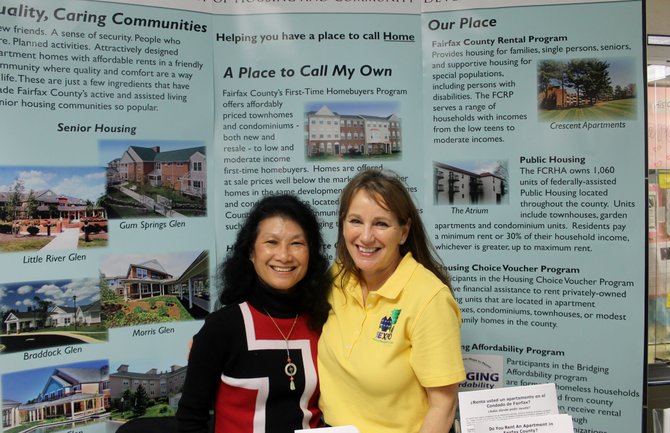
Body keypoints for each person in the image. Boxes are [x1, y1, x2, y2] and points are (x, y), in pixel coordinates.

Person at [318, 169, 466, 433]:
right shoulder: (338, 276)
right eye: (355, 221)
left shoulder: (429, 298)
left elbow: (442, 408)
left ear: (403, 231)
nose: (365, 237)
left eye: (381, 224)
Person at [177, 194, 331, 433]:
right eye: (271, 242)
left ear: (311, 253)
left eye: (297, 243)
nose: (284, 255)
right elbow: (190, 421)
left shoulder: (325, 321)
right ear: (251, 252)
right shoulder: (223, 327)